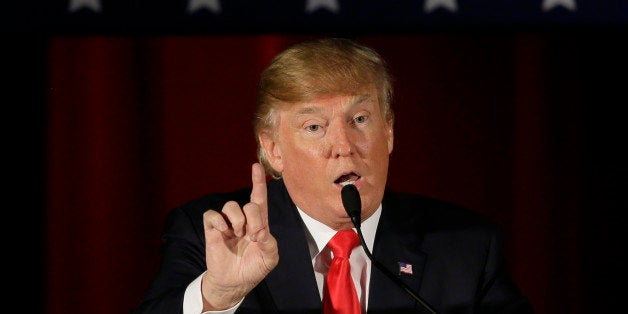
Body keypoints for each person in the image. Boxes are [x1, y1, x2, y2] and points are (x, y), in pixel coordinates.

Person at [133, 37, 534, 314]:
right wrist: (219, 296)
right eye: (314, 127)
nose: (344, 144)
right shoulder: (213, 233)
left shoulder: (466, 246)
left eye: (360, 119)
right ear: (273, 149)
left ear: (389, 131)